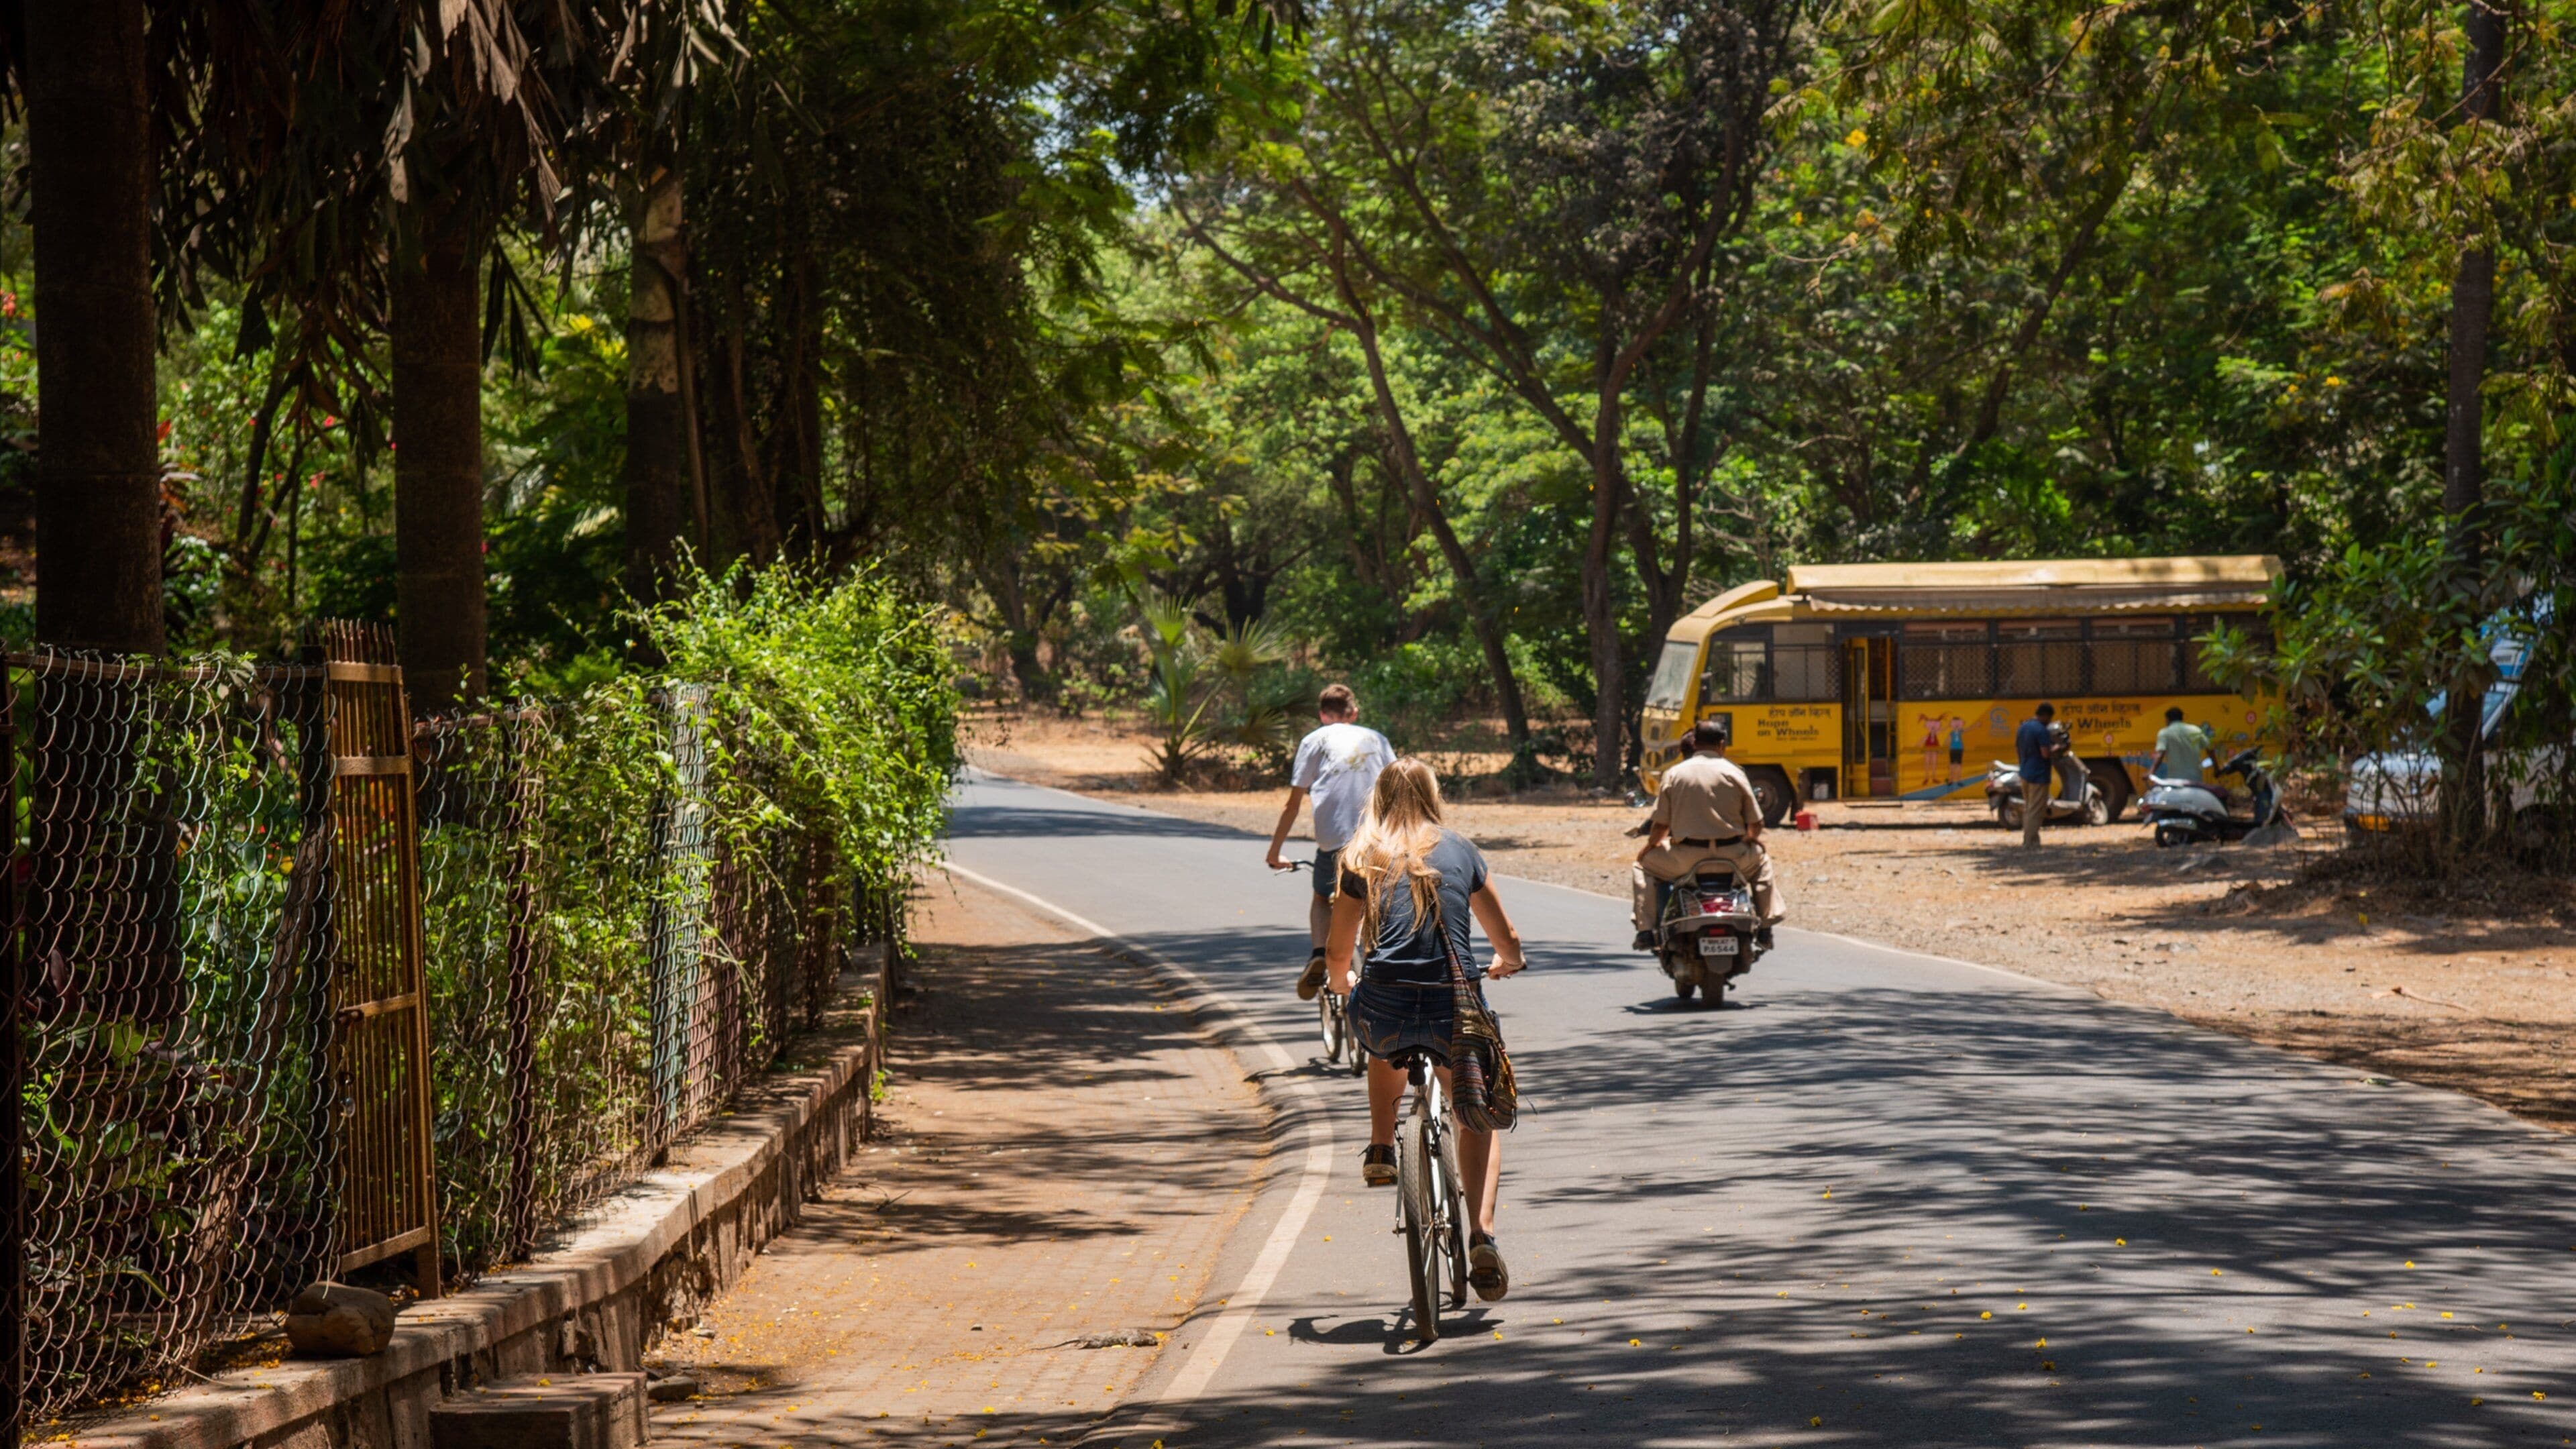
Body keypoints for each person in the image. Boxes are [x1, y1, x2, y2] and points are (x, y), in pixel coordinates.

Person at [1325, 758, 1524, 1301]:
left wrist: (1343, 982)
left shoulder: (1362, 856)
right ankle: (1481, 1234)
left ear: (1379, 798)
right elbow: (1503, 936)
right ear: (1435, 796)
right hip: (1452, 1007)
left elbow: (1339, 953)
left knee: (1380, 1040)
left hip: (1384, 1005)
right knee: (1475, 1111)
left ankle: (1381, 1147)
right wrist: (1508, 960)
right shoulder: (1460, 850)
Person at [1267, 683, 1395, 1000]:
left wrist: (1275, 852)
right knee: (1375, 901)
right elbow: (1396, 788)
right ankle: (1377, 958)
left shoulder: (1314, 740)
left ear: (1323, 714)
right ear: (1354, 713)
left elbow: (1293, 804)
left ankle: (1320, 953)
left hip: (1334, 843)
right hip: (1377, 841)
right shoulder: (1376, 739)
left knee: (1323, 898)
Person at [1630, 717, 1783, 951]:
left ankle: (1646, 932)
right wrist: (1751, 840)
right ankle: (1765, 929)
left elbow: (1660, 825)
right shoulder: (1735, 772)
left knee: (1642, 867)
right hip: (1733, 858)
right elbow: (1757, 822)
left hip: (1686, 859)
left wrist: (1650, 846)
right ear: (1722, 744)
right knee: (1762, 863)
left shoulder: (1675, 774)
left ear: (1696, 743)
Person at [2015, 703, 2056, 847]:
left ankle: (2034, 841)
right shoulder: (2041, 730)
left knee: (2029, 808)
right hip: (2038, 775)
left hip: (2025, 773)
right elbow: (2045, 753)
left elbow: (2018, 749)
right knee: (2036, 811)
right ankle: (2029, 842)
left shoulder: (2023, 727)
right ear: (2046, 716)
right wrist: (2056, 748)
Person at [2153, 706, 2208, 783]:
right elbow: (2210, 748)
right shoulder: (2195, 730)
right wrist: (2216, 768)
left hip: (2176, 780)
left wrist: (2151, 772)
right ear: (2182, 718)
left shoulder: (2165, 733)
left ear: (2167, 719)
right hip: (2195, 779)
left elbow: (2160, 754)